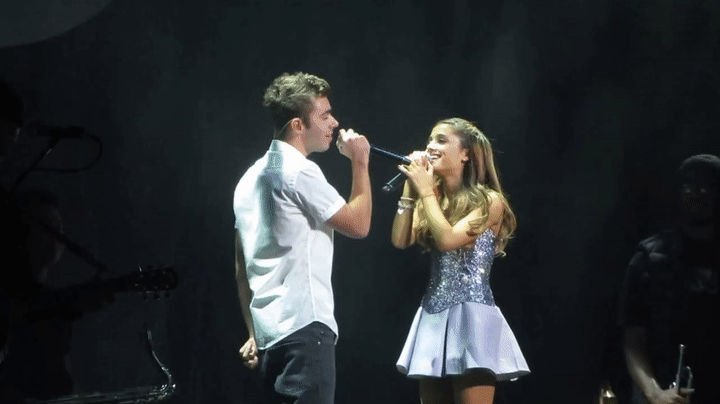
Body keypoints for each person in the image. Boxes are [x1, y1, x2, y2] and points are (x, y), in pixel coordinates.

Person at [234, 72, 372, 404]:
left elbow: (241, 269)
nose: (334, 123)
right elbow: (359, 225)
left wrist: (253, 332)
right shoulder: (298, 171)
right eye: (324, 116)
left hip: (268, 337)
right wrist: (360, 162)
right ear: (298, 125)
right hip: (305, 329)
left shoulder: (247, 180)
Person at [391, 118, 530, 404]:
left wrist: (425, 190)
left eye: (441, 140)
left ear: (465, 153)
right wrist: (410, 190)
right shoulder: (434, 199)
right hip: (433, 315)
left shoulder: (489, 201)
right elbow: (401, 240)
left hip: (473, 318)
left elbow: (447, 239)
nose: (431, 146)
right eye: (430, 139)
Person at [619, 154, 720, 404]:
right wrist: (654, 393)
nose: (696, 193)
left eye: (706, 186)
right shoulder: (651, 257)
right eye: (689, 185)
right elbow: (633, 339)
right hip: (668, 392)